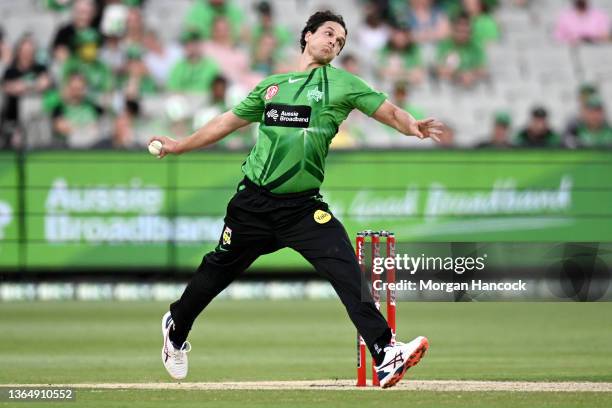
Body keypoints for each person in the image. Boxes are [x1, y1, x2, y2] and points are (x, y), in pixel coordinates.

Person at [150, 10, 443, 389]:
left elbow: (387, 110)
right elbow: (226, 122)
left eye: (340, 41)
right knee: (216, 272)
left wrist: (412, 126)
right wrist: (180, 146)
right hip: (253, 204)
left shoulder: (343, 84)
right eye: (327, 34)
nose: (333, 43)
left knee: (345, 269)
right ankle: (177, 326)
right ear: (306, 36)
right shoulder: (271, 86)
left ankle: (385, 353)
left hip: (302, 208)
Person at [1, 35, 52, 149]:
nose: (27, 54)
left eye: (30, 51)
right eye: (24, 51)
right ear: (18, 52)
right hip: (13, 114)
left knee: (29, 102)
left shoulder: (40, 68)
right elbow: (7, 88)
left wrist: (23, 85)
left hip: (36, 113)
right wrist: (33, 84)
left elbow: (45, 84)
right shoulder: (10, 70)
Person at [435, 13, 487, 88]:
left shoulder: (476, 46)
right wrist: (459, 75)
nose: (462, 34)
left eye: (465, 31)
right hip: (450, 85)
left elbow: (483, 69)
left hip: (473, 85)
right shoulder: (445, 45)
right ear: (453, 29)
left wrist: (470, 74)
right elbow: (439, 69)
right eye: (459, 30)